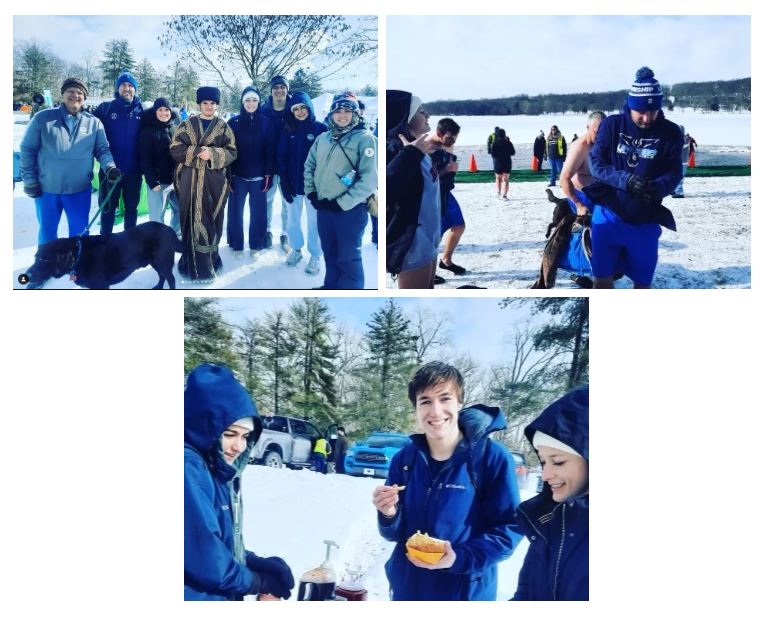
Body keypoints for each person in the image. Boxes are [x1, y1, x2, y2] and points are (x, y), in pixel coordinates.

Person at [373, 362, 523, 601]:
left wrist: (459, 558)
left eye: (445, 399)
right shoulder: (404, 459)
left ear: (459, 402)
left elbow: (509, 529)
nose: (435, 411)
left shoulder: (491, 459)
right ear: (416, 409)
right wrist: (389, 513)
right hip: (408, 590)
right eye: (425, 401)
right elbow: (395, 534)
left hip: (463, 592)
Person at [184, 363, 296, 601]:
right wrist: (257, 581)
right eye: (229, 434)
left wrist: (253, 562)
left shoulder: (215, 468)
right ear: (204, 426)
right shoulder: (187, 468)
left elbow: (215, 543)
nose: (239, 446)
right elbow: (203, 557)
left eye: (246, 436)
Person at [582, 67, 682, 289]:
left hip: (645, 221)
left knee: (643, 283)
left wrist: (658, 187)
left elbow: (674, 173)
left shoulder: (671, 132)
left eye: (653, 111)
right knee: (601, 279)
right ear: (630, 106)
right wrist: (625, 180)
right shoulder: (612, 125)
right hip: (608, 217)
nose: (647, 118)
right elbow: (596, 165)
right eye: (641, 112)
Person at [19, 77, 119, 247]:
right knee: (47, 231)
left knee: (80, 233)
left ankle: (80, 265)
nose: (75, 95)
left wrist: (110, 167)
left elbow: (102, 149)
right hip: (47, 189)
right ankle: (47, 264)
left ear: (84, 97)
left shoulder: (94, 123)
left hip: (79, 189)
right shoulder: (43, 118)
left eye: (80, 92)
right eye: (71, 91)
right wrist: (29, 180)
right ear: (63, 94)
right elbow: (27, 149)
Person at [511, 385, 588, 601]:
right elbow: (525, 594)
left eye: (558, 462)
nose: (545, 475)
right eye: (543, 461)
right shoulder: (549, 523)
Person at [304, 95, 377, 289]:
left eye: (347, 111)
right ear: (331, 114)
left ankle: (350, 290)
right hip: (324, 207)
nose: (342, 115)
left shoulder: (365, 139)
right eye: (337, 111)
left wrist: (341, 203)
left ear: (355, 114)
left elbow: (369, 179)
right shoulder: (323, 138)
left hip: (349, 211)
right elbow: (309, 166)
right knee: (330, 252)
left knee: (348, 256)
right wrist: (311, 193)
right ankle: (331, 286)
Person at [170, 86, 238, 283]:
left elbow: (232, 151)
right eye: (205, 103)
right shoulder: (186, 124)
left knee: (211, 222)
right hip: (189, 183)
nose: (209, 106)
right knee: (189, 222)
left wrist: (213, 154)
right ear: (199, 104)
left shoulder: (224, 127)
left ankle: (210, 263)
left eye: (213, 103)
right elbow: (175, 148)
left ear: (217, 105)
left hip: (213, 184)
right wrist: (199, 151)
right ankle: (189, 264)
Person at [386, 90, 439, 288]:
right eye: (421, 111)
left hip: (430, 237)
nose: (428, 116)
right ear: (404, 119)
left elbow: (421, 187)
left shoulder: (416, 148)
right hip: (413, 243)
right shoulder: (394, 149)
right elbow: (387, 189)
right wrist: (410, 154)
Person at [278, 91, 327, 275]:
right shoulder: (288, 130)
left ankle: (315, 254)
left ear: (309, 108)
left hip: (314, 188)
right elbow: (281, 157)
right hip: (292, 186)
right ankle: (296, 249)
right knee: (292, 221)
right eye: (296, 109)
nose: (299, 112)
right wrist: (284, 182)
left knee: (314, 222)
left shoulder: (321, 129)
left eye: (303, 107)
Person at [226, 86, 276, 261]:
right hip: (238, 177)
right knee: (235, 212)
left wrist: (268, 174)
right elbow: (228, 151)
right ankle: (236, 244)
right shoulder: (233, 123)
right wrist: (229, 175)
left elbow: (271, 152)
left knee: (258, 213)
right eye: (247, 100)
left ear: (259, 102)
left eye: (254, 100)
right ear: (242, 102)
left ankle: (256, 245)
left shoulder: (266, 123)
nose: (251, 103)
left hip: (259, 177)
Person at [93, 69, 144, 236]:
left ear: (135, 89)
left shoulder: (143, 111)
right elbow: (88, 133)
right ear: (118, 88)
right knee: (107, 209)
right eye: (123, 85)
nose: (127, 88)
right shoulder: (105, 108)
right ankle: (104, 243)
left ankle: (130, 244)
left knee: (131, 208)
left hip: (133, 172)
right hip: (110, 172)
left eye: (131, 85)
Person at [426, 118, 465, 281]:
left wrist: (452, 170)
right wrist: (447, 170)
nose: (452, 141)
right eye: (450, 137)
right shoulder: (427, 148)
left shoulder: (448, 144)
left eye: (455, 137)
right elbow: (425, 178)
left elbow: (448, 169)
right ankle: (429, 270)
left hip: (446, 191)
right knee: (435, 233)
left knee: (459, 226)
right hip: (433, 195)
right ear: (439, 133)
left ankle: (446, 260)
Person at [138, 97, 181, 237]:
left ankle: (175, 239)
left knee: (180, 212)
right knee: (157, 217)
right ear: (155, 111)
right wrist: (152, 180)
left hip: (176, 181)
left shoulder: (175, 128)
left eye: (167, 110)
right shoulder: (147, 131)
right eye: (160, 110)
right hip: (158, 182)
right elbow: (144, 158)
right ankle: (158, 243)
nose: (164, 113)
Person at [262, 75, 293, 253]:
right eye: (276, 87)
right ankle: (266, 231)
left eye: (283, 87)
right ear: (271, 90)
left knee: (287, 201)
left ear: (287, 89)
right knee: (267, 199)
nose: (279, 90)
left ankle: (285, 233)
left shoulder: (294, 109)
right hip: (269, 164)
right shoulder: (263, 110)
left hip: (289, 165)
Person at [560, 111, 606, 216]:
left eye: (603, 132)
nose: (600, 135)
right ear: (587, 127)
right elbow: (564, 179)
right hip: (582, 197)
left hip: (603, 197)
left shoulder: (607, 143)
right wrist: (579, 205)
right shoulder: (579, 147)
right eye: (596, 132)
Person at [491, 128, 515, 200]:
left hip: (498, 162)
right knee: (505, 179)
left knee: (498, 178)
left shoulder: (495, 143)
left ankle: (498, 192)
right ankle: (504, 195)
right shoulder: (508, 142)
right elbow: (513, 152)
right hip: (507, 162)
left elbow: (493, 154)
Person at [672, 125, 693, 198]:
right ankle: (674, 190)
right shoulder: (679, 139)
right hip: (676, 161)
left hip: (682, 162)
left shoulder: (684, 140)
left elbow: (681, 145)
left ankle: (679, 192)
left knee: (680, 177)